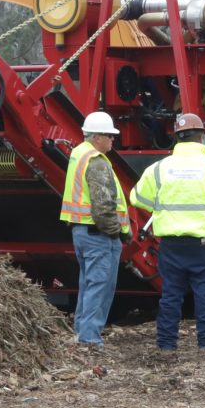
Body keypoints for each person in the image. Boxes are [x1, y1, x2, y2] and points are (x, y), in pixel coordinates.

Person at [132, 113, 205, 355]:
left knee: (171, 296)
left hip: (171, 245)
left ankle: (166, 346)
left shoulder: (159, 169)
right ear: (202, 135)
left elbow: (137, 198)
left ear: (176, 137)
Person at [59, 110, 129, 347]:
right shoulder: (96, 161)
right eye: (110, 136)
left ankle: (82, 332)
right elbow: (103, 204)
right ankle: (89, 339)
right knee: (100, 286)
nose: (113, 140)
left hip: (82, 231)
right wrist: (116, 232)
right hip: (99, 234)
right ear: (97, 137)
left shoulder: (79, 153)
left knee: (88, 284)